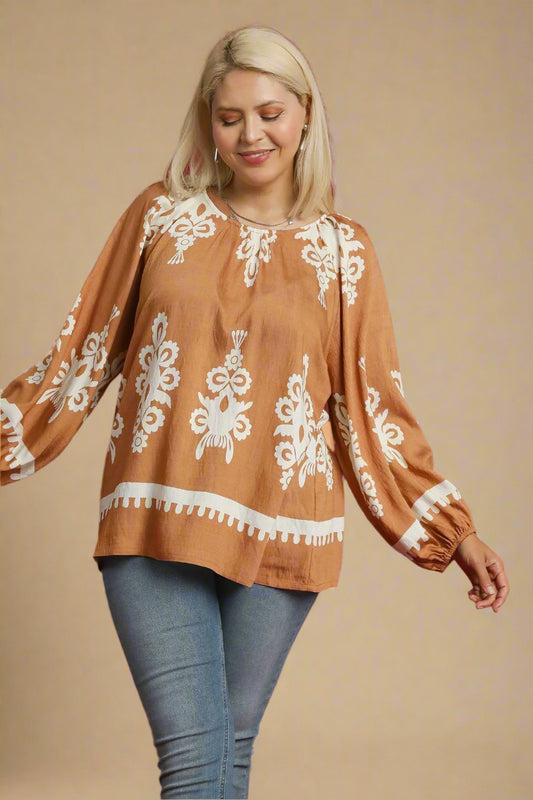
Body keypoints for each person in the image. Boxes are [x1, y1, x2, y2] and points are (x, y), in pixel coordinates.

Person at [0, 24, 509, 800]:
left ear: (305, 114)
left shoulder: (344, 253)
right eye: (229, 116)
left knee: (227, 757)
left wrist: (454, 532)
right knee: (196, 761)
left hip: (282, 526)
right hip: (153, 514)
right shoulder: (160, 217)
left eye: (269, 113)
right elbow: (80, 358)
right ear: (207, 121)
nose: (250, 135)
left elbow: (370, 410)